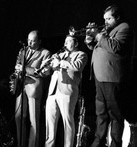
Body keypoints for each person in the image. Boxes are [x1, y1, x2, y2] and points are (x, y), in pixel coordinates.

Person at [84, 4, 134, 147]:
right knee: (101, 114)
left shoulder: (124, 28)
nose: (105, 21)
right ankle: (98, 142)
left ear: (117, 17)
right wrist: (90, 39)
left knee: (115, 115)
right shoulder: (107, 30)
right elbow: (98, 46)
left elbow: (115, 47)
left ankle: (115, 144)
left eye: (109, 18)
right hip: (100, 78)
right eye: (104, 18)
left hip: (113, 78)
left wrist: (97, 35)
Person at [44, 34, 88, 147]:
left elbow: (77, 66)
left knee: (67, 122)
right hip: (53, 91)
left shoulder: (81, 55)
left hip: (67, 91)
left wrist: (60, 63)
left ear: (76, 43)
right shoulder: (61, 55)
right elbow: (49, 70)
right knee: (50, 123)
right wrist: (46, 65)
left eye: (68, 41)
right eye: (65, 41)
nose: (65, 44)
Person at [14, 30, 51, 147]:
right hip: (21, 86)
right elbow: (17, 66)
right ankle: (21, 144)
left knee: (33, 121)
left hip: (34, 88)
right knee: (18, 117)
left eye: (33, 41)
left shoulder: (45, 53)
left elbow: (45, 72)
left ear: (39, 41)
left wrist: (25, 69)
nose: (30, 43)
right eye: (28, 40)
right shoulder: (23, 51)